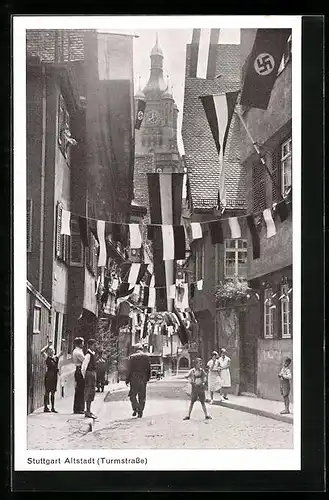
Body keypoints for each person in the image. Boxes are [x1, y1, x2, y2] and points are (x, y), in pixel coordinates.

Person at [126, 343, 151, 418]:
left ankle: (136, 407)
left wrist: (127, 379)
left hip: (134, 378)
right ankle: (140, 411)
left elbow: (129, 369)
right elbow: (149, 368)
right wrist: (148, 378)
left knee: (132, 395)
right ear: (141, 349)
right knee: (142, 396)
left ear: (135, 349)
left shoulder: (132, 357)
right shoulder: (146, 356)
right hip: (143, 378)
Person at [41, 338, 64, 413]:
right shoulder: (47, 357)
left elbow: (62, 352)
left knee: (53, 392)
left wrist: (63, 344)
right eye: (50, 350)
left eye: (52, 349)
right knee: (47, 392)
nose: (52, 350)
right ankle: (45, 407)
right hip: (49, 376)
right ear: (48, 351)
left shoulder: (55, 358)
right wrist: (48, 345)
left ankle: (53, 407)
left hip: (54, 376)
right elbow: (42, 351)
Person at [81, 338, 97, 419]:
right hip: (89, 374)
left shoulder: (93, 354)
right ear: (90, 345)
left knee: (92, 393)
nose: (95, 347)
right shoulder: (88, 355)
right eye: (94, 345)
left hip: (93, 374)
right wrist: (86, 377)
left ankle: (89, 410)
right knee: (88, 392)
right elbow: (83, 367)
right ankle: (87, 411)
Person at [72, 337, 85, 414]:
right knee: (80, 390)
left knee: (80, 390)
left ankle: (79, 408)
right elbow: (84, 360)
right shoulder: (78, 352)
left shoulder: (78, 350)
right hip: (79, 370)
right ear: (79, 343)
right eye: (82, 342)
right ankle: (78, 408)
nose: (83, 344)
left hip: (78, 369)